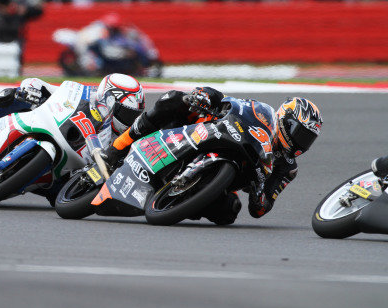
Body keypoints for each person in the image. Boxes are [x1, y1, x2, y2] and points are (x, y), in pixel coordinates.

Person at [103, 88, 323, 225]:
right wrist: (205, 96)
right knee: (174, 100)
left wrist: (259, 192)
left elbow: (261, 208)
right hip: (203, 134)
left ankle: (179, 202)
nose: (300, 142)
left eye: (307, 139)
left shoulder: (287, 168)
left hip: (229, 172)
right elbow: (227, 100)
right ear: (285, 119)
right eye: (299, 133)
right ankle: (119, 146)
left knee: (229, 212)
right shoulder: (261, 111)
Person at [0, 73, 146, 204]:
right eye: (125, 113)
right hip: (49, 127)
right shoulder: (82, 93)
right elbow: (41, 84)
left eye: (133, 115)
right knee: (10, 97)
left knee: (61, 201)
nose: (128, 120)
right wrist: (32, 88)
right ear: (107, 98)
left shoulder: (123, 139)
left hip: (65, 175)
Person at [0, 0, 43, 73]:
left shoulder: (17, 13)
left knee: (15, 67)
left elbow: (39, 12)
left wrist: (25, 10)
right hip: (1, 45)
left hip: (16, 44)